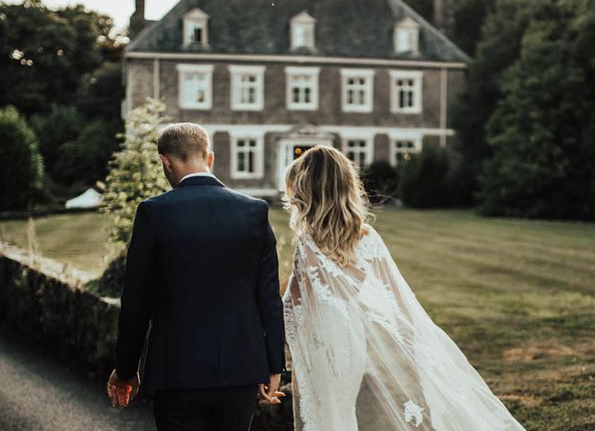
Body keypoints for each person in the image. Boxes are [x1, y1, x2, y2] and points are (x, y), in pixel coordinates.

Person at [282, 145, 527, 431]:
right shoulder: (366, 236)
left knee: (328, 416)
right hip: (352, 343)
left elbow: (291, 304)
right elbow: (395, 297)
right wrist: (414, 341)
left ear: (307, 192)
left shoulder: (308, 245)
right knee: (342, 411)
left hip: (325, 344)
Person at [106, 122, 285, 431]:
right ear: (210, 158)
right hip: (240, 371)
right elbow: (268, 299)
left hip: (177, 372)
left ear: (165, 161)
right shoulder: (254, 211)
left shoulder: (154, 212)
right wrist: (273, 365)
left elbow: (136, 301)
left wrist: (125, 370)